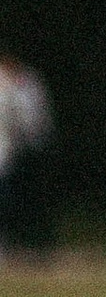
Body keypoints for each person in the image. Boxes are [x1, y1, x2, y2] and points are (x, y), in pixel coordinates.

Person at [0, 50, 57, 255]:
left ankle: (29, 243)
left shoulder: (27, 82)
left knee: (20, 199)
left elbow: (33, 118)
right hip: (8, 150)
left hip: (21, 150)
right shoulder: (7, 84)